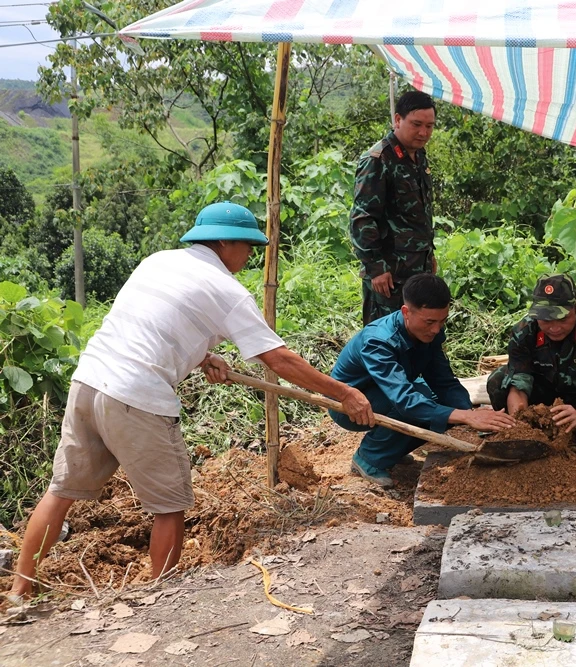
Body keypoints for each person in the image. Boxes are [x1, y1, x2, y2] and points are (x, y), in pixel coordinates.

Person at [6, 202, 374, 612]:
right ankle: (159, 603)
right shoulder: (228, 291)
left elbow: (153, 323)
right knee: (170, 507)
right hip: (137, 397)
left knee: (60, 492)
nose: (249, 257)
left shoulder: (158, 262)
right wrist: (344, 393)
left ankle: (21, 593)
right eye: (247, 247)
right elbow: (279, 360)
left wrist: (201, 356)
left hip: (89, 381)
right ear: (224, 242)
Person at [330, 274, 516, 488]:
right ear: (406, 312)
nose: (436, 329)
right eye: (429, 322)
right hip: (350, 406)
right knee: (421, 402)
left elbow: (444, 381)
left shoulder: (430, 332)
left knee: (441, 404)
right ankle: (369, 458)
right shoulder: (378, 341)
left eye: (442, 321)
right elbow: (404, 399)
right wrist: (464, 416)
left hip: (384, 396)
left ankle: (392, 450)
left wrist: (471, 414)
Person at [487, 274, 576, 450]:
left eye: (562, 319)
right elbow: (518, 384)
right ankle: (536, 438)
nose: (554, 327)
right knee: (498, 381)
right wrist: (521, 423)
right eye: (545, 320)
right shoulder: (524, 331)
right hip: (545, 395)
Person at [350, 90, 438, 325]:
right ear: (397, 120)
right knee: (385, 339)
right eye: (416, 124)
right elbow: (363, 218)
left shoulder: (418, 156)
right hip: (390, 275)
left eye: (429, 126)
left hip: (418, 271)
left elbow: (419, 214)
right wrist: (376, 267)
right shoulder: (378, 159)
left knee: (417, 335)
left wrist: (429, 255)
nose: (424, 132)